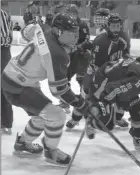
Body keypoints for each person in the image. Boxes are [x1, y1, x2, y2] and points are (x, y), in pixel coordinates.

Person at [1, 13, 86, 166]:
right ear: (58, 32)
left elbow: (25, 30)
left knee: (41, 116)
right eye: (69, 34)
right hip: (18, 85)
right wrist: (80, 103)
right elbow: (58, 90)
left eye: (75, 33)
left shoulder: (43, 28)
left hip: (12, 77)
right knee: (57, 115)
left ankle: (22, 142)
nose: (74, 38)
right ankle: (51, 151)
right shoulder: (57, 54)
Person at [66, 12, 131, 131]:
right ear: (108, 26)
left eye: (118, 26)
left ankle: (116, 118)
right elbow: (97, 67)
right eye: (113, 26)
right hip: (97, 72)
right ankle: (75, 119)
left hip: (114, 71)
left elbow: (126, 55)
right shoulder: (102, 41)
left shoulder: (125, 37)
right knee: (86, 96)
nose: (115, 29)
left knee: (120, 95)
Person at [82, 58, 140, 152]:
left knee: (139, 112)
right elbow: (112, 88)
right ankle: (91, 122)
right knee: (107, 123)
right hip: (101, 87)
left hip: (116, 84)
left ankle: (139, 140)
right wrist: (101, 104)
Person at [56, 4, 92, 113]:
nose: (70, 16)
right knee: (64, 79)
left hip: (81, 57)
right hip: (69, 57)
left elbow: (87, 40)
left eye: (72, 13)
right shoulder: (65, 24)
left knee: (82, 80)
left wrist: (79, 47)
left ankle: (85, 102)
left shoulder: (82, 24)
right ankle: (65, 102)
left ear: (76, 14)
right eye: (68, 13)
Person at [1, 9, 13, 135]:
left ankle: (6, 121)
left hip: (2, 52)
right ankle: (6, 122)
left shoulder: (3, 14)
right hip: (5, 52)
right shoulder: (5, 13)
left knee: (3, 88)